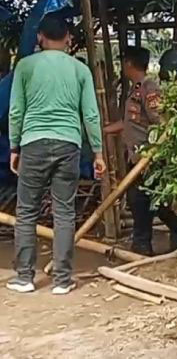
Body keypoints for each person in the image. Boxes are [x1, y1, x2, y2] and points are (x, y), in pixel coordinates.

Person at [7, 15, 106, 294]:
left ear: (40, 37)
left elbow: (16, 111)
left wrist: (14, 147)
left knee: (26, 211)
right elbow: (90, 114)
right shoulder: (80, 70)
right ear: (68, 38)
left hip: (33, 143)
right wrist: (98, 153)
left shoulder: (25, 66)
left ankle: (25, 278)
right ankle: (62, 280)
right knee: (64, 212)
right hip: (68, 144)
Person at [104, 46, 177, 256]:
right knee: (140, 203)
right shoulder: (136, 89)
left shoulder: (149, 89)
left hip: (149, 159)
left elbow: (161, 121)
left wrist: (154, 152)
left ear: (129, 64)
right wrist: (106, 130)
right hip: (136, 158)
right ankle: (144, 245)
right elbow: (131, 123)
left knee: (156, 204)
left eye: (123, 62)